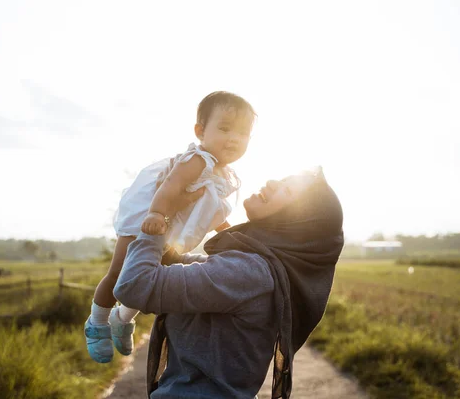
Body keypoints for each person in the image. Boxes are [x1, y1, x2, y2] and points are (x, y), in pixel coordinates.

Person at [114, 168, 344, 398]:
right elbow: (173, 264)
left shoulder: (249, 272)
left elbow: (135, 285)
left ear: (297, 223)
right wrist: (177, 206)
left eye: (287, 190)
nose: (272, 182)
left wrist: (158, 217)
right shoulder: (256, 268)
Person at [85, 91, 256, 363]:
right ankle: (96, 324)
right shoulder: (198, 160)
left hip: (169, 227)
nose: (234, 138)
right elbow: (170, 186)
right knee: (120, 272)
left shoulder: (225, 174)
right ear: (201, 130)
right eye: (224, 128)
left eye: (243, 133)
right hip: (147, 219)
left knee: (153, 274)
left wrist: (226, 230)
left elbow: (209, 207)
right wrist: (155, 212)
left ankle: (122, 318)